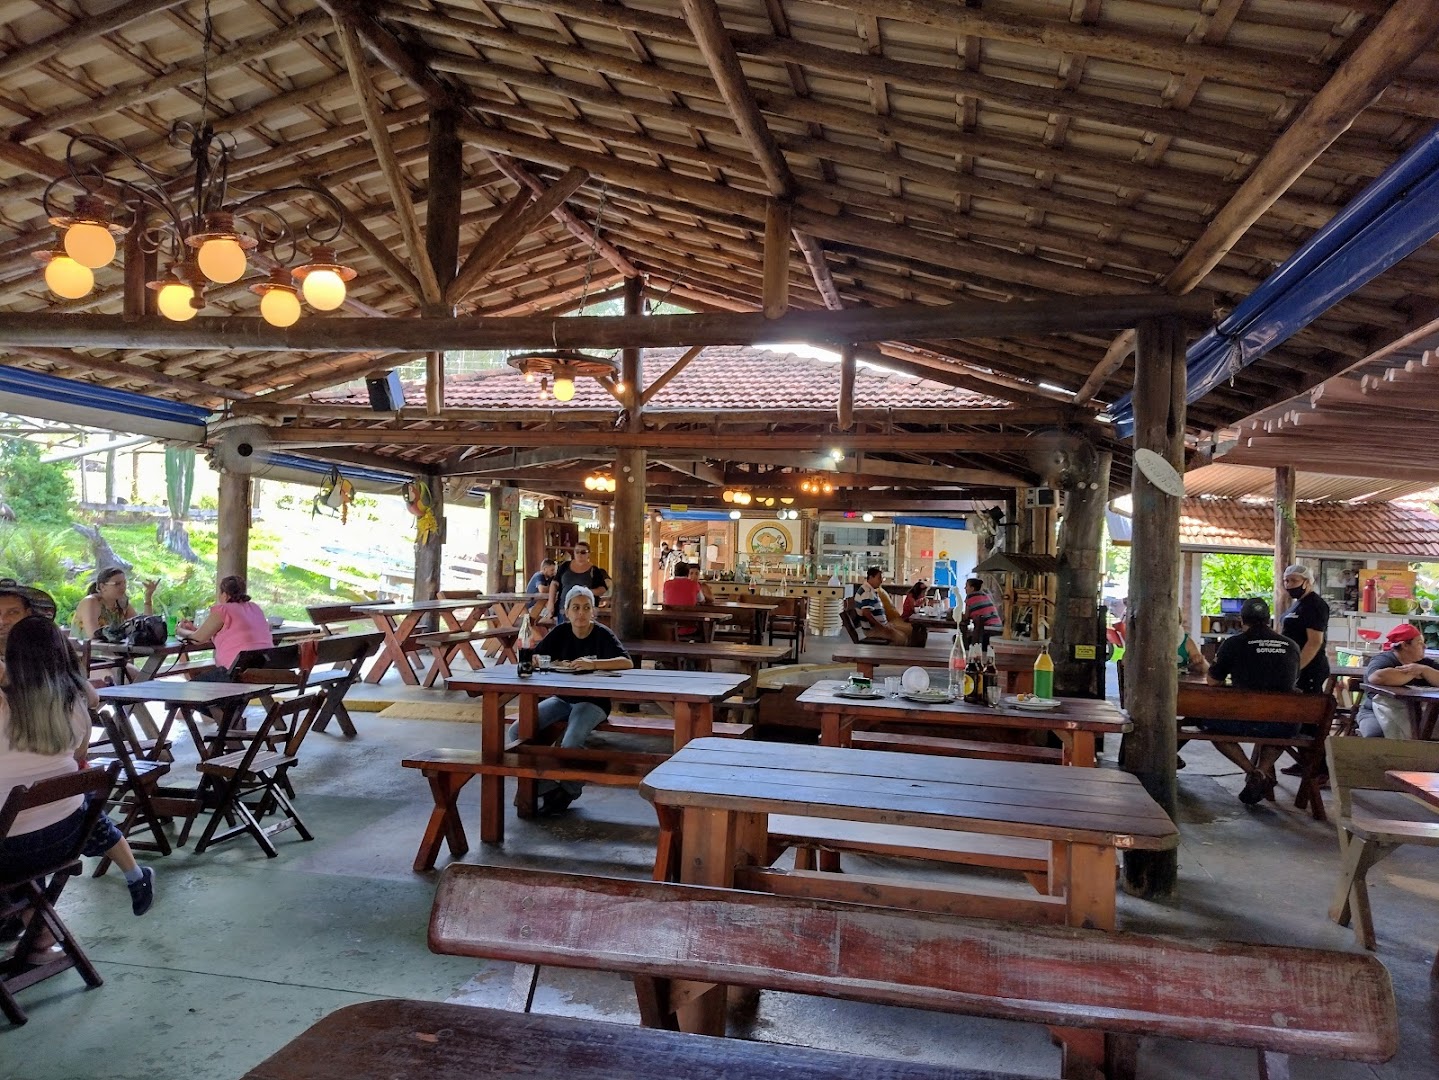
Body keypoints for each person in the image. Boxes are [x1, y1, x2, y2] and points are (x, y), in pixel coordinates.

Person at [1, 616, 154, 961]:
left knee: (16, 842)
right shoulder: (79, 698)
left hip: (11, 849)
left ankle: (36, 930)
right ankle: (39, 938)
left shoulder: (3, 703)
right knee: (72, 799)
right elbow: (81, 756)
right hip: (68, 837)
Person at [506, 586, 631, 815]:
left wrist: (593, 664)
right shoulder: (560, 632)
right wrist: (534, 659)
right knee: (517, 732)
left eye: (586, 608)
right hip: (562, 698)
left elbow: (626, 662)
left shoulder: (602, 633)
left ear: (593, 611)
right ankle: (546, 785)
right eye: (576, 608)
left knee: (571, 742)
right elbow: (537, 655)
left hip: (593, 702)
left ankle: (569, 788)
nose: (581, 613)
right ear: (566, 611)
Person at [1197, 598, 1302, 804]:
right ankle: (1262, 771)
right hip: (1284, 724)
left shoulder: (1233, 643)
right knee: (1281, 723)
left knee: (1209, 726)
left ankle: (1251, 771)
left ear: (1241, 619)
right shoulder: (1292, 646)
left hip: (1241, 721)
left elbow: (1212, 681)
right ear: (1269, 620)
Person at [175, 575, 273, 678]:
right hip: (264, 669)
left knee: (193, 681)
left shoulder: (223, 610)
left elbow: (197, 639)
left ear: (225, 595)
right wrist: (196, 630)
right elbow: (233, 633)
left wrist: (179, 630)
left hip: (234, 674)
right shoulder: (255, 608)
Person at [1355, 623, 1439, 738]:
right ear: (1405, 645)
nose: (1425, 647)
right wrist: (1414, 673)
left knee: (1428, 735)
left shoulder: (1425, 664)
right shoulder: (1383, 659)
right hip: (1375, 712)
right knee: (1376, 736)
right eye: (1419, 643)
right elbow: (1377, 677)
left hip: (1418, 713)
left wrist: (1424, 670)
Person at [1280, 564, 1330, 694]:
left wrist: (1296, 670)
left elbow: (1314, 642)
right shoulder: (1297, 604)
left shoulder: (1315, 605)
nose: (1289, 585)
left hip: (1309, 668)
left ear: (1307, 582)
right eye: (1286, 580)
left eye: (1294, 580)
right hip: (1293, 663)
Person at [73, 567, 158, 640]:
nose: (123, 587)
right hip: (87, 656)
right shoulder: (91, 602)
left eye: (124, 583)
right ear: (102, 587)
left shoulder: (122, 604)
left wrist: (148, 596)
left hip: (113, 655)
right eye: (117, 584)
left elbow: (145, 627)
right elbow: (94, 636)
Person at [545, 542, 610, 623]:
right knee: (562, 634)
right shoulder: (565, 566)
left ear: (588, 554)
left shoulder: (594, 570)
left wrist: (587, 591)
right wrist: (551, 602)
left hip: (584, 612)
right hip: (564, 609)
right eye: (577, 551)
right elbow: (554, 584)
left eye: (583, 552)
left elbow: (603, 589)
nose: (579, 554)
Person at [853, 567, 909, 645]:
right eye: (879, 578)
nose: (881, 581)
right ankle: (891, 656)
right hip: (874, 630)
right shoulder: (867, 592)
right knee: (901, 638)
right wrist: (882, 627)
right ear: (871, 577)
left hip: (880, 626)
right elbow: (866, 613)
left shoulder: (869, 590)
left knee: (908, 630)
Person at [960, 576, 1003, 651]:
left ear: (972, 588)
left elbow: (966, 617)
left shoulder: (970, 597)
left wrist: (956, 614)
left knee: (961, 639)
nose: (964, 588)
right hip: (998, 628)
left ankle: (967, 653)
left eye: (966, 586)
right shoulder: (985, 595)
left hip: (985, 631)